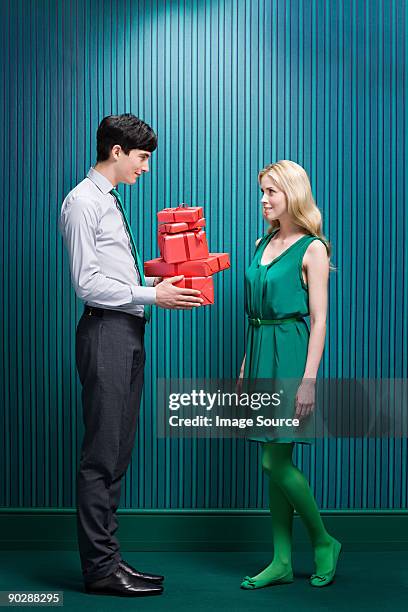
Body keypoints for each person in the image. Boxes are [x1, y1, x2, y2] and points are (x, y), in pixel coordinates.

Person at [59, 114, 204, 597]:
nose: (146, 167)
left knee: (117, 451)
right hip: (106, 333)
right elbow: (87, 283)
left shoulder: (109, 202)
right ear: (117, 151)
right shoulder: (82, 202)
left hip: (127, 331)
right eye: (143, 158)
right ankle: (100, 570)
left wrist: (161, 281)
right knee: (102, 455)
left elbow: (114, 272)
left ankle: (110, 560)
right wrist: (150, 295)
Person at [239, 160, 341, 590]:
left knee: (273, 459)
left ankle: (323, 540)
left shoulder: (312, 248)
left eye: (271, 192)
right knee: (274, 454)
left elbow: (318, 320)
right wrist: (245, 366)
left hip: (291, 355)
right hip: (261, 351)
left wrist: (309, 380)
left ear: (292, 194)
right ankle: (281, 560)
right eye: (261, 191)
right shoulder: (263, 241)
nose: (263, 200)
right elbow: (255, 315)